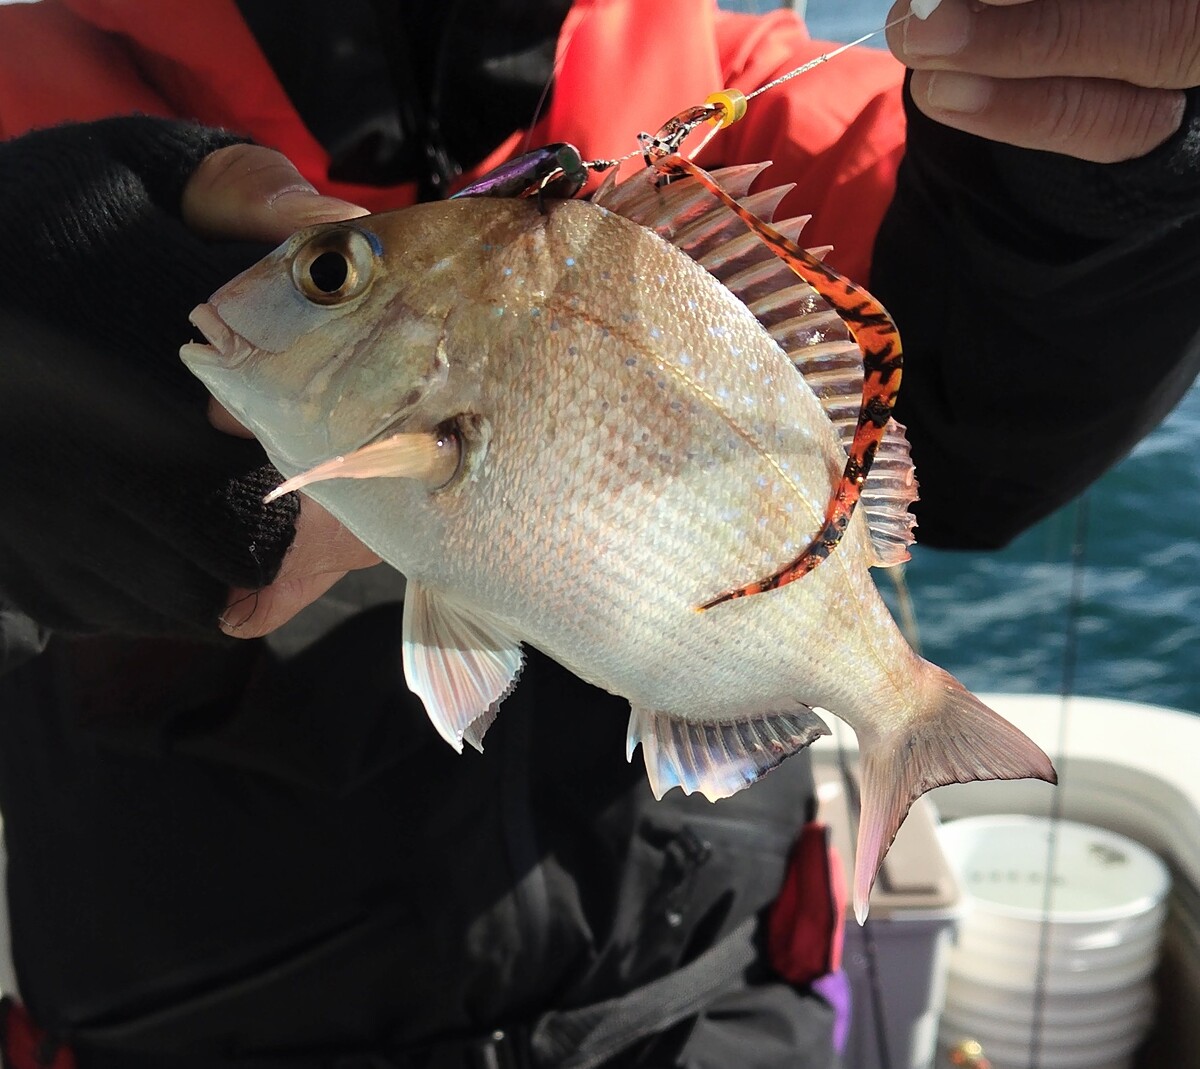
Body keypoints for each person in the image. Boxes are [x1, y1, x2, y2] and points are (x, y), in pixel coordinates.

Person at [0, 1, 1195, 1066]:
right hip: (175, 1021)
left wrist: (1106, 194)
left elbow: (974, 428)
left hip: (697, 998)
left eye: (324, 276)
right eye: (330, 274)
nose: (308, 281)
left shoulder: (739, 103)